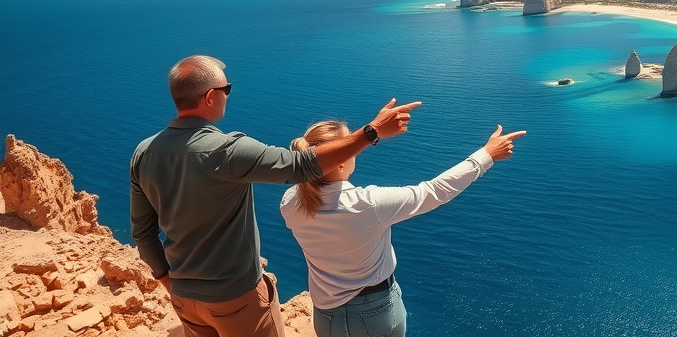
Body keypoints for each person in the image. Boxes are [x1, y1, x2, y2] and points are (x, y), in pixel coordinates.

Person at [130, 54, 421, 337]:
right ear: (209, 97)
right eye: (226, 89)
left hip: (184, 297)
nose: (228, 95)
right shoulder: (227, 150)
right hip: (234, 298)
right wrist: (371, 133)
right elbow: (301, 166)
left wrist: (166, 279)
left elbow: (143, 235)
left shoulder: (143, 153)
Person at [280, 120, 526, 337]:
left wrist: (372, 131)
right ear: (341, 164)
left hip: (326, 316)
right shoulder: (368, 204)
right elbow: (435, 191)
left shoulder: (290, 203)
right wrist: (487, 154)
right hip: (375, 313)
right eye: (351, 147)